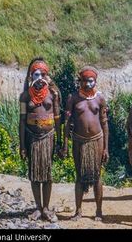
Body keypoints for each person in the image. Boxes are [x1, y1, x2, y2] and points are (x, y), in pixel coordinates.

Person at [60, 66, 109, 221]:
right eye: (85, 81)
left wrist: (106, 148)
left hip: (97, 140)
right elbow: (67, 123)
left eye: (91, 81)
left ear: (95, 81)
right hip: (79, 140)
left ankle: (99, 211)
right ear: (79, 81)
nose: (88, 84)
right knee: (79, 175)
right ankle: (78, 210)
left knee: (97, 176)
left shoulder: (100, 98)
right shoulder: (73, 98)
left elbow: (104, 123)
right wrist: (65, 144)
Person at [19, 57, 61, 222]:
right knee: (34, 173)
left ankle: (46, 208)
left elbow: (57, 119)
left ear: (47, 76)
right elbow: (22, 121)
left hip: (48, 137)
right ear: (30, 76)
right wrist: (22, 145)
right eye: (36, 74)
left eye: (43, 74)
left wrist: (59, 142)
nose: (39, 77)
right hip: (32, 137)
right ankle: (37, 207)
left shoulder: (53, 94)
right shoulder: (24, 97)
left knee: (47, 174)